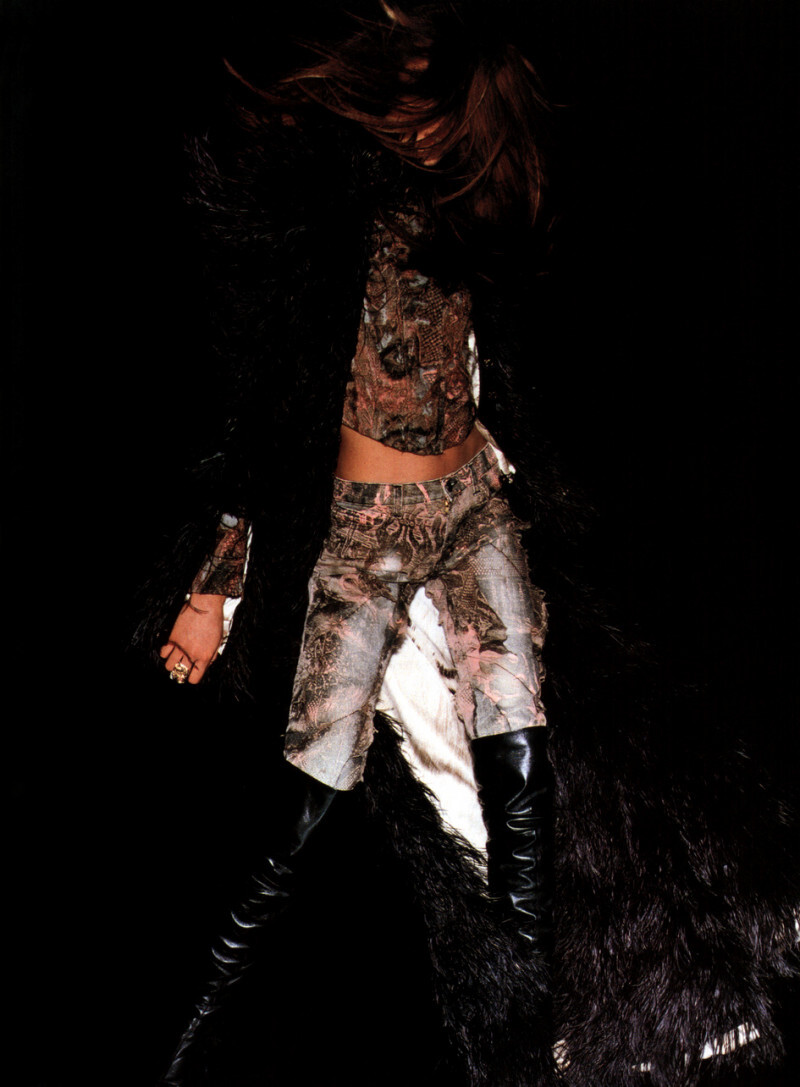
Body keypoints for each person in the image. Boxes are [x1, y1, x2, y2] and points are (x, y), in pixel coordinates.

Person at [140, 4, 798, 1085]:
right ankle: (190, 1032)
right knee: (316, 799)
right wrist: (214, 587)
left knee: (521, 763)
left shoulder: (451, 236)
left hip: (471, 512)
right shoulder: (327, 230)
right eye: (420, 98)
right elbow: (266, 425)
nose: (435, 128)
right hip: (369, 539)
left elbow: (477, 380)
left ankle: (549, 1013)